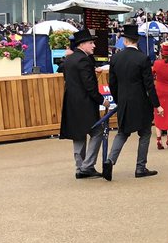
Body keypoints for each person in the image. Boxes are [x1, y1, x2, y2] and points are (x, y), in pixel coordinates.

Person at [107, 23, 160, 178]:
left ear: (125, 41)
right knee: (144, 134)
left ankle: (110, 160)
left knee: (122, 133)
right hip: (141, 102)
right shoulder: (143, 59)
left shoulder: (115, 58)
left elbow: (112, 84)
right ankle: (140, 167)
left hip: (124, 101)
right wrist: (157, 104)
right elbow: (149, 86)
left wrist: (118, 100)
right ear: (137, 41)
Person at [58, 27, 103, 179]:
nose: (93, 46)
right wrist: (102, 100)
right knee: (97, 132)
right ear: (82, 44)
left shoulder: (69, 59)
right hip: (85, 104)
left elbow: (67, 74)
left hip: (71, 102)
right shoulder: (84, 60)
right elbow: (89, 85)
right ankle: (87, 166)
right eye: (91, 43)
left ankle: (80, 167)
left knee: (78, 134)